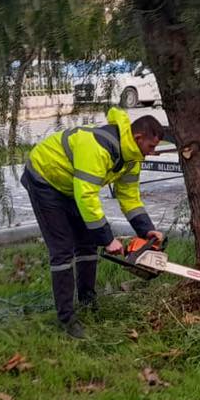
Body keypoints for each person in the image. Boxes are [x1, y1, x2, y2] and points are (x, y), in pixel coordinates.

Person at [21, 107, 167, 338]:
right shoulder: (98, 146)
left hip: (72, 187)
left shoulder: (132, 158)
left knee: (88, 245)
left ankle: (88, 300)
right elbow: (86, 195)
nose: (152, 152)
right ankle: (67, 318)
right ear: (138, 138)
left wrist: (147, 230)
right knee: (62, 250)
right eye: (151, 146)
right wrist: (107, 239)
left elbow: (129, 197)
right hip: (45, 180)